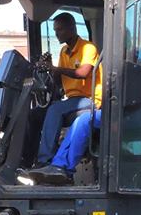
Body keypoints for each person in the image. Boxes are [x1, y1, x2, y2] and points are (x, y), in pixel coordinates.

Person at [23, 47, 141, 185]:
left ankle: (63, 168)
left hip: (131, 114)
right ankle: (55, 165)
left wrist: (136, 75)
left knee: (85, 119)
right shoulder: (109, 58)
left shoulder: (140, 58)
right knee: (81, 119)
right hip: (113, 109)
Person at [32, 13, 102, 166]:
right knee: (35, 114)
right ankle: (28, 158)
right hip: (72, 100)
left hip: (90, 100)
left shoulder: (88, 48)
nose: (57, 33)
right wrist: (50, 67)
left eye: (60, 29)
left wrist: (55, 68)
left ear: (72, 28)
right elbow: (59, 82)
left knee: (55, 110)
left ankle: (45, 160)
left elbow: (83, 73)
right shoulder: (64, 51)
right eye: (55, 30)